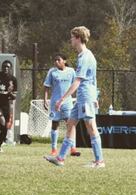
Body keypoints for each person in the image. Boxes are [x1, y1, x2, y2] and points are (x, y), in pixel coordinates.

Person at [45, 26, 105, 168]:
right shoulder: (83, 55)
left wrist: (62, 99)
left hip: (85, 96)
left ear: (78, 38)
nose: (70, 40)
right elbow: (94, 78)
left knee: (91, 127)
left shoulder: (85, 57)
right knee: (71, 124)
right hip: (82, 97)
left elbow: (77, 81)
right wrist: (95, 96)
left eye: (72, 37)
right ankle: (60, 158)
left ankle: (99, 161)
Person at [43, 54, 81, 156]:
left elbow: (76, 85)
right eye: (55, 60)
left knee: (70, 124)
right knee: (55, 124)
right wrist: (45, 99)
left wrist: (78, 98)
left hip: (67, 103)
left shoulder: (71, 71)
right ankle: (54, 149)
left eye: (58, 60)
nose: (56, 62)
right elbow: (46, 86)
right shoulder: (52, 72)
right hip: (55, 103)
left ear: (64, 60)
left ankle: (73, 148)